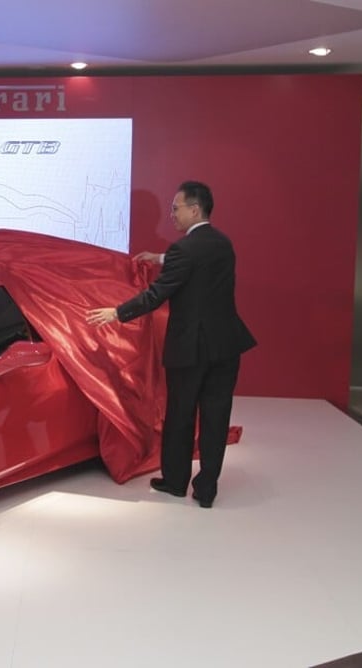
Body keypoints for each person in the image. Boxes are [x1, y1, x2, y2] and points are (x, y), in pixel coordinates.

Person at [86, 181, 256, 508]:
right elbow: (194, 259)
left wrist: (117, 312)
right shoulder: (222, 243)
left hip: (191, 348)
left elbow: (156, 295)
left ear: (194, 209)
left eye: (176, 208)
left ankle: (176, 482)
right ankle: (207, 489)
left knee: (180, 415)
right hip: (226, 345)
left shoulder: (184, 250)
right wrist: (161, 256)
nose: (172, 214)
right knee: (216, 416)